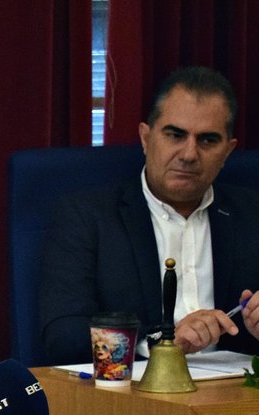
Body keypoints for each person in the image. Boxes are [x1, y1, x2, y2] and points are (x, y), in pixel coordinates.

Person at [39, 66, 259, 364]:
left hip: (235, 390)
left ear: (228, 151)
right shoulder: (86, 217)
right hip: (135, 386)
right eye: (175, 135)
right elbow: (63, 336)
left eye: (207, 140)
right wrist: (159, 341)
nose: (189, 154)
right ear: (146, 138)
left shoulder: (252, 214)